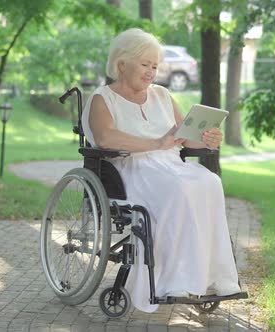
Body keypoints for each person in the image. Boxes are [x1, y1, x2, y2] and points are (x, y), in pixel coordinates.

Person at [82, 28, 241, 313]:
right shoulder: (102, 98)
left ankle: (216, 277)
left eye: (155, 66)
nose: (151, 71)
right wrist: (156, 142)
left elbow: (183, 136)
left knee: (210, 182)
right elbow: (105, 138)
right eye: (145, 64)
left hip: (170, 165)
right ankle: (175, 280)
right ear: (121, 64)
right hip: (129, 169)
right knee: (179, 189)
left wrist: (206, 138)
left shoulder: (163, 96)